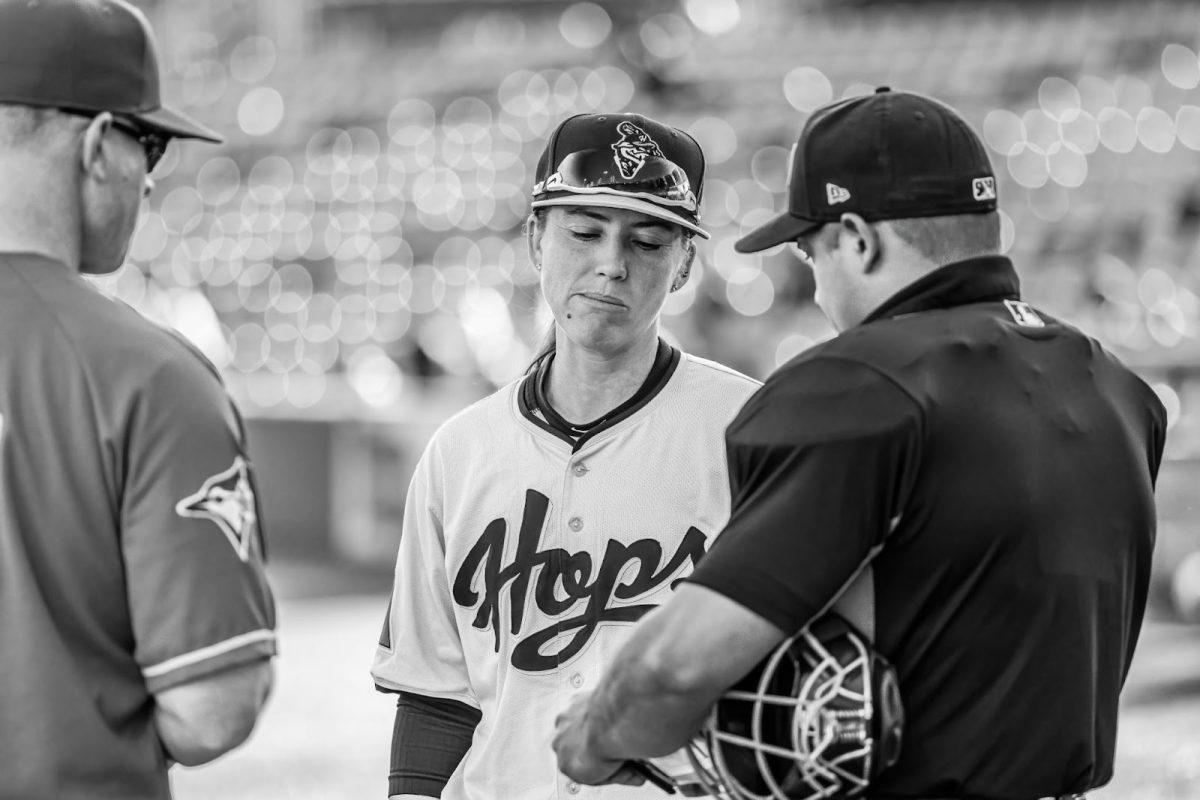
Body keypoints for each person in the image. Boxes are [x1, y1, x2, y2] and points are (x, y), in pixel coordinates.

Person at [554, 87, 1167, 800]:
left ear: (858, 238)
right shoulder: (1117, 388)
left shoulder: (854, 385)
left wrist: (593, 734)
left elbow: (675, 670)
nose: (816, 292)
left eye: (814, 257)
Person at [371, 111, 760, 799]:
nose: (611, 264)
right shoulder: (459, 452)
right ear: (535, 240)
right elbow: (437, 697)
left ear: (684, 265)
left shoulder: (751, 432)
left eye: (647, 242)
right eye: (584, 232)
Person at [0, 2, 277, 798]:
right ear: (95, 146)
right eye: (146, 141)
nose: (151, 175)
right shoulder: (147, 374)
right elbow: (213, 708)